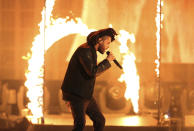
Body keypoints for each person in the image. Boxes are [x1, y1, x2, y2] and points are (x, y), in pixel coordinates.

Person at [61, 28, 118, 131]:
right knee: (80, 124)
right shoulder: (85, 50)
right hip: (76, 94)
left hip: (84, 94)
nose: (108, 46)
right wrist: (107, 61)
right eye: (107, 43)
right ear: (100, 40)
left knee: (99, 120)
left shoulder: (91, 50)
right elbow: (93, 72)